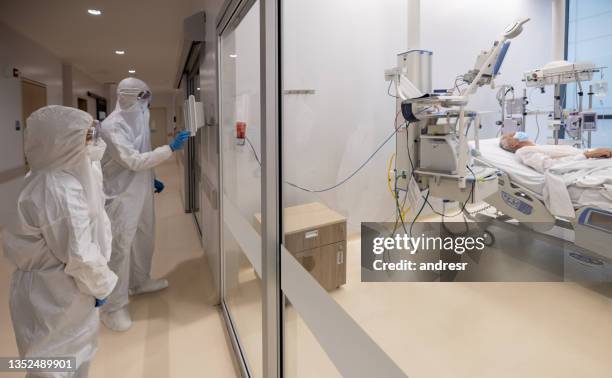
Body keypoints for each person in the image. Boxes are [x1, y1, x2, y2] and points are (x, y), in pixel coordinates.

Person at [2, 105, 118, 377]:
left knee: (69, 357)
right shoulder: (58, 189)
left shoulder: (52, 176)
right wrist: (101, 285)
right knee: (52, 364)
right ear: (63, 142)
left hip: (61, 287)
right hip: (56, 292)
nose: (94, 142)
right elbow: (79, 255)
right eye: (87, 137)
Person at [100, 77, 190, 331]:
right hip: (120, 195)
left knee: (144, 237)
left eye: (147, 98)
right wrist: (170, 149)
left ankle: (139, 282)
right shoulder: (111, 126)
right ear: (127, 97)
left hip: (141, 190)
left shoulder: (140, 117)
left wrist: (153, 179)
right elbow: (132, 160)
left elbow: (143, 150)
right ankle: (113, 307)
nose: (145, 103)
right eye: (141, 98)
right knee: (120, 248)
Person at [499, 131, 612, 173]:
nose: (517, 132)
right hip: (583, 166)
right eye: (512, 134)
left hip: (591, 160)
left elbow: (573, 153)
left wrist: (595, 152)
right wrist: (587, 155)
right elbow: (550, 166)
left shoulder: (539, 146)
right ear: (513, 144)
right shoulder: (524, 152)